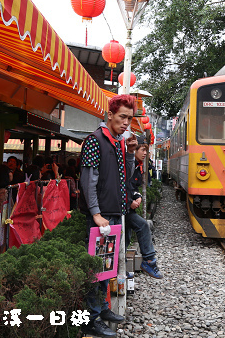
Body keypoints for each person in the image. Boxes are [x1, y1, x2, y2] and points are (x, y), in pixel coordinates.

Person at [79, 94, 138, 337]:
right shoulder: (95, 141)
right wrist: (95, 213)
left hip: (113, 213)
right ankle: (92, 318)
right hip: (102, 216)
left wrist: (132, 154)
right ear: (110, 115)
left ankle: (102, 308)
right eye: (122, 117)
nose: (126, 123)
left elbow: (126, 176)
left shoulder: (119, 142)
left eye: (130, 119)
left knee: (106, 267)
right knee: (96, 269)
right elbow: (88, 181)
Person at [125, 135, 162, 279]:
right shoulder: (130, 164)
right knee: (143, 225)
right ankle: (149, 260)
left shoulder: (138, 165)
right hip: (123, 207)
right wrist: (129, 201)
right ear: (134, 149)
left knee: (126, 239)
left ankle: (119, 270)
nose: (145, 153)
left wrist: (137, 195)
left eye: (146, 150)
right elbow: (120, 186)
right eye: (142, 149)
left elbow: (132, 187)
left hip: (127, 208)